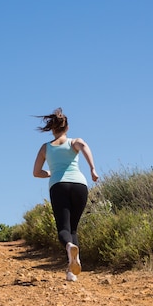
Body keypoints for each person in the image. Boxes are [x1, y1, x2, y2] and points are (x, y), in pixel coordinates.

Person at [32, 108, 99, 282]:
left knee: (64, 229)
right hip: (79, 185)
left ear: (52, 129)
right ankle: (71, 271)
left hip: (58, 186)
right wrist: (92, 168)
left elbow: (36, 172)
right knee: (73, 228)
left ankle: (69, 248)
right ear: (66, 128)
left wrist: (51, 172)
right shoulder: (74, 142)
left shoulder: (45, 148)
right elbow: (83, 145)